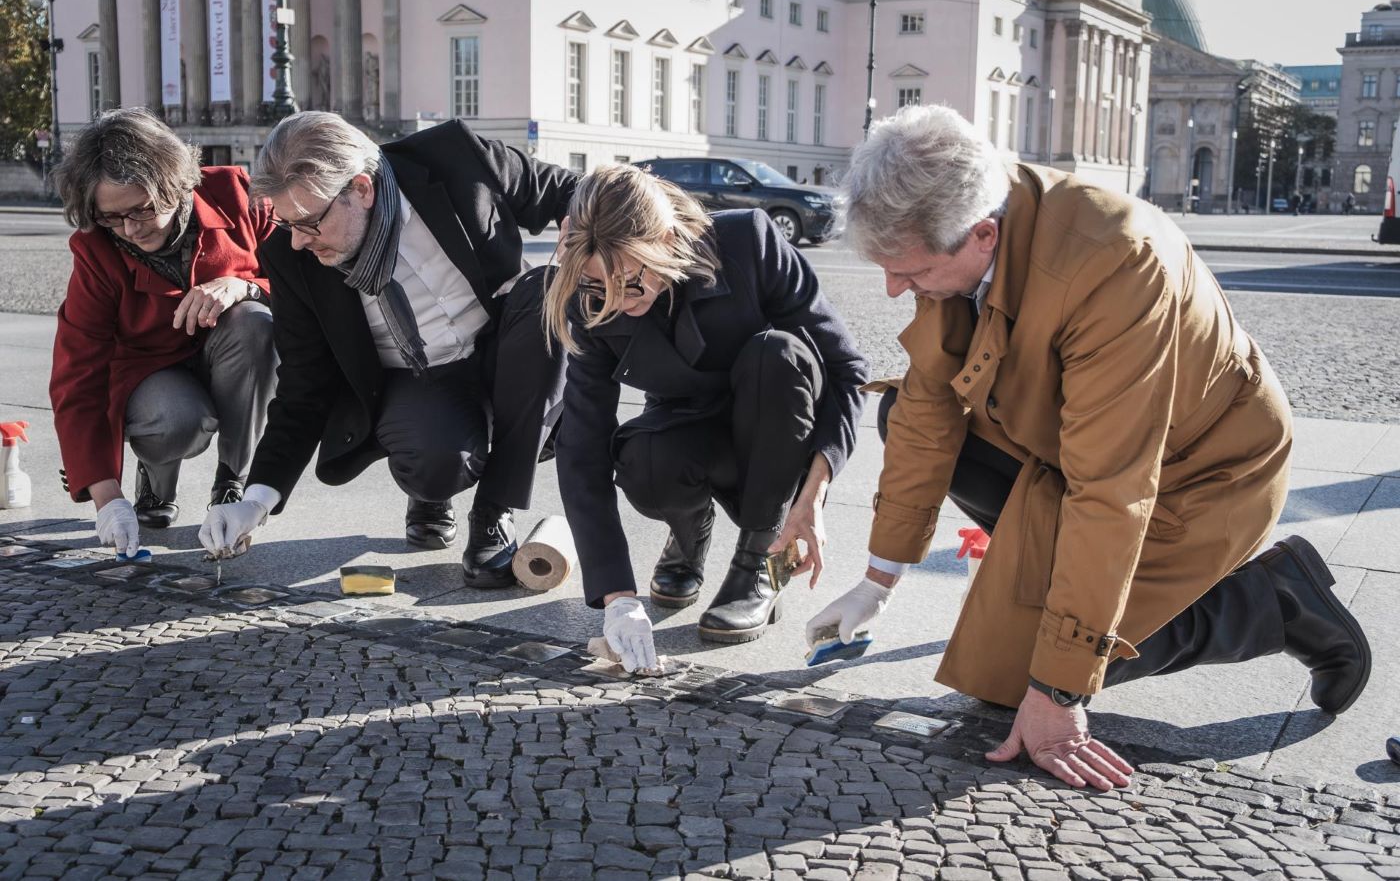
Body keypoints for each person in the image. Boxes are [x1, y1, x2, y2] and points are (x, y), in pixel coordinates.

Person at [809, 105, 1370, 790]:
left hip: (1201, 470)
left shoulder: (1117, 264)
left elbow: (1112, 487)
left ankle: (1276, 600)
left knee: (1031, 675)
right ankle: (1051, 592)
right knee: (900, 412)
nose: (897, 288)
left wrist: (1062, 689)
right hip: (1061, 446)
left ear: (982, 236)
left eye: (910, 271)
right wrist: (880, 576)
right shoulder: (958, 202)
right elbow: (928, 407)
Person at [200, 112, 575, 585]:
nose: (297, 241)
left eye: (310, 222)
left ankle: (494, 510)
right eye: (286, 222)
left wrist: (580, 233)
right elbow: (303, 386)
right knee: (439, 463)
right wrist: (254, 501)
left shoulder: (457, 157)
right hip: (415, 381)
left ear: (361, 188)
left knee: (552, 290)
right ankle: (433, 489)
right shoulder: (289, 255)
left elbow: (571, 192)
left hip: (503, 349)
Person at [544, 165, 868, 667]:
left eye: (632, 282)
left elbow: (847, 368)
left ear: (667, 240)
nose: (619, 304)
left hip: (778, 432)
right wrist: (617, 597)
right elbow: (582, 447)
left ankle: (759, 563)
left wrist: (815, 494)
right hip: (687, 430)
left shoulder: (749, 242)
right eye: (597, 284)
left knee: (777, 354)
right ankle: (688, 533)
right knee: (644, 459)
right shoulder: (590, 298)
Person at [50, 108, 277, 557]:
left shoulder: (238, 194)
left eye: (142, 209)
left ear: (175, 183)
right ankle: (154, 481)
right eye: (112, 217)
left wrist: (247, 285)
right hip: (148, 375)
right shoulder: (96, 250)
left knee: (254, 322)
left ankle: (231, 483)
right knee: (177, 420)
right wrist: (106, 498)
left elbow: (309, 285)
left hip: (234, 353)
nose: (131, 230)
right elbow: (77, 377)